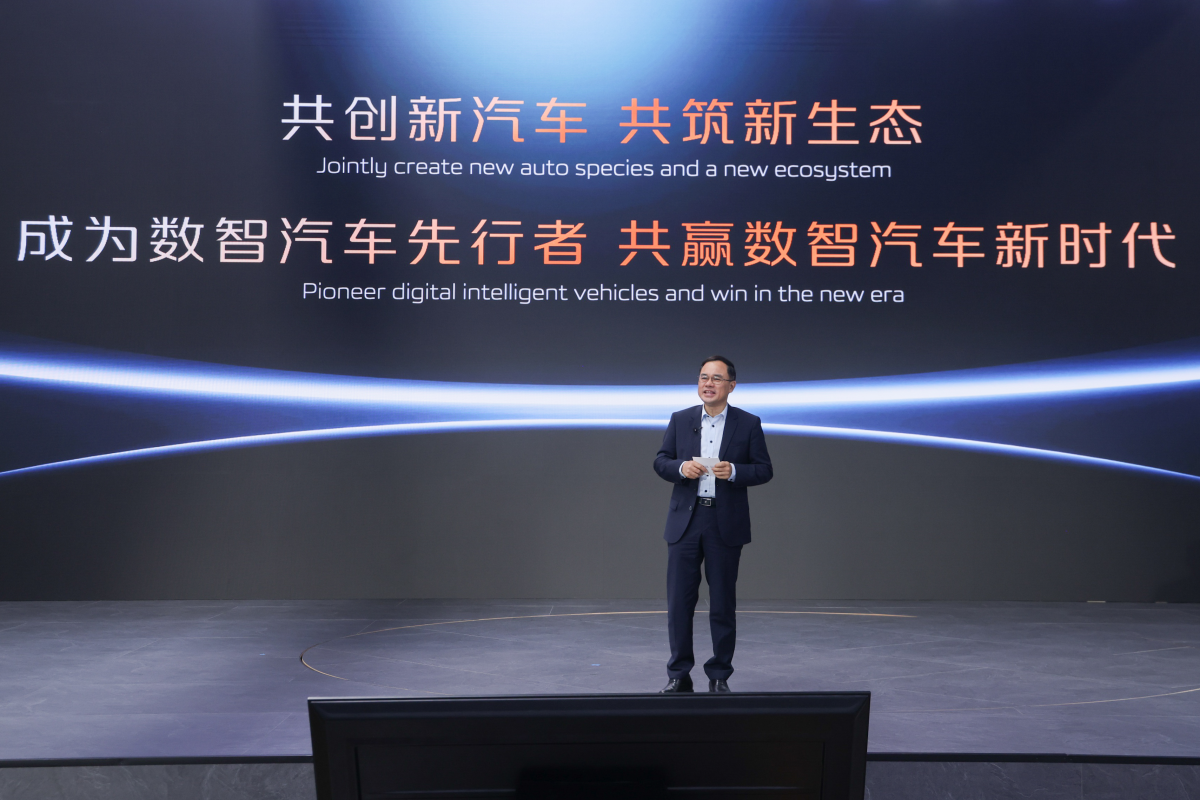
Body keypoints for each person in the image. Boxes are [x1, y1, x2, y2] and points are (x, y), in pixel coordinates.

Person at [653, 356, 773, 693]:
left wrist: (734, 471)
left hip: (724, 522)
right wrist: (681, 468)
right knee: (679, 602)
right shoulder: (681, 419)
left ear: (731, 385)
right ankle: (679, 673)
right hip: (685, 522)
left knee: (722, 603)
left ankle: (719, 674)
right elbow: (661, 461)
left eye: (716, 378)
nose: (708, 383)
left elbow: (764, 469)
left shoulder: (748, 423)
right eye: (704, 377)